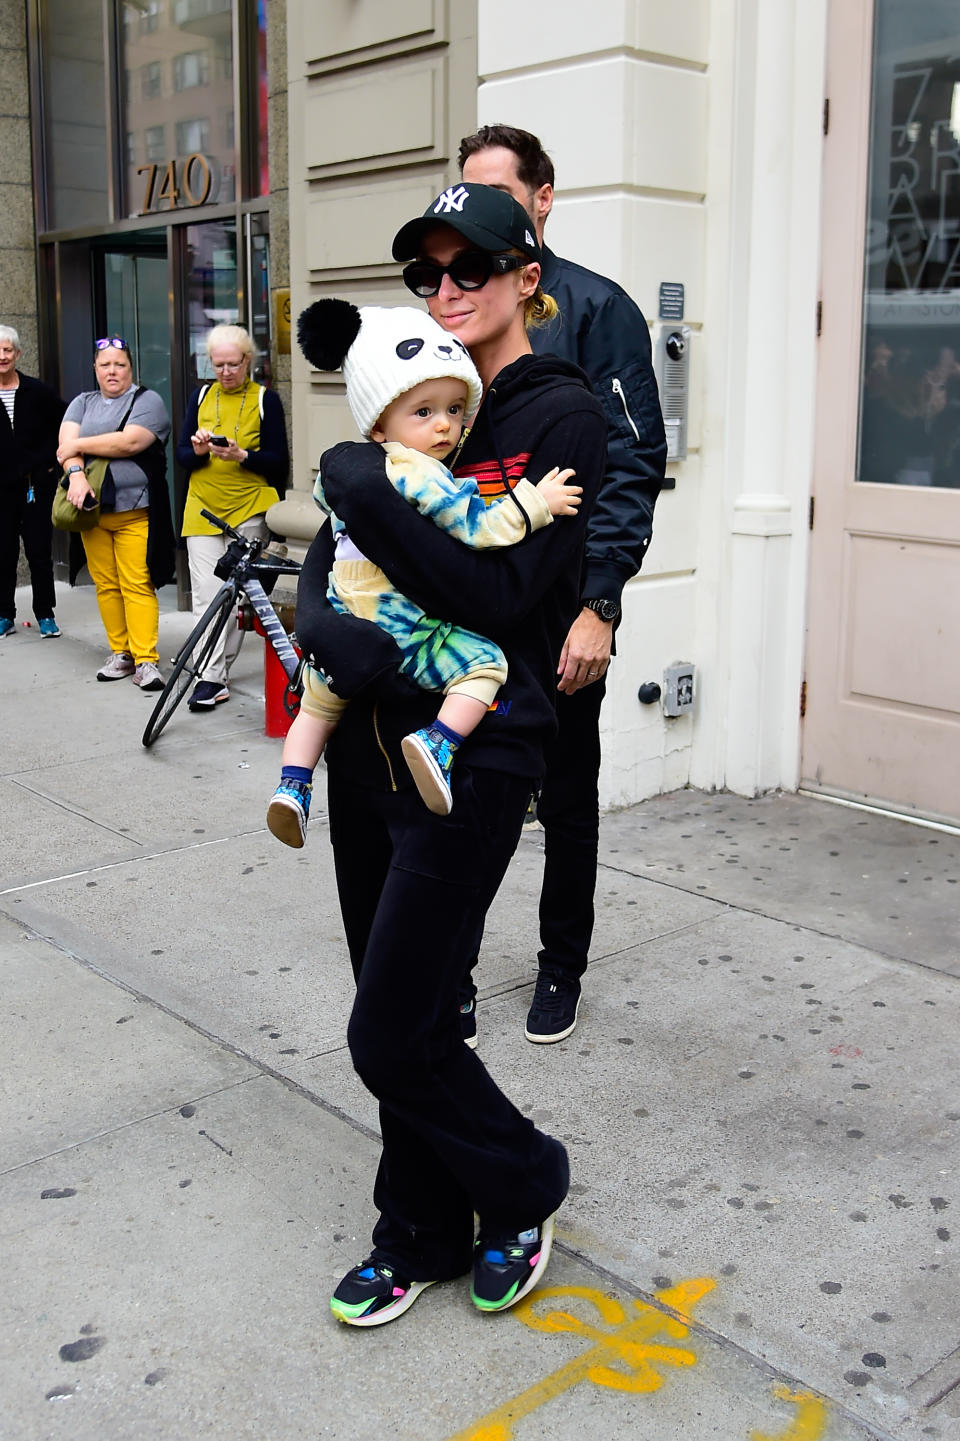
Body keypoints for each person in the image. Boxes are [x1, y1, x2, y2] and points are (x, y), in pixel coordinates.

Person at [294, 183, 606, 1325]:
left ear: (529, 272)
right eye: (426, 274)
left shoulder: (559, 420)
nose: (446, 289)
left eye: (469, 266)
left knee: (388, 1028)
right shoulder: (407, 397)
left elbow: (504, 586)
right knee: (406, 1008)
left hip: (476, 755)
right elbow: (326, 579)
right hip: (365, 755)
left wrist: (362, 490)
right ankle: (418, 1228)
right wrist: (330, 623)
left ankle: (523, 1183)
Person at [458, 124, 668, 1043]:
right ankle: (448, 967)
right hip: (463, 605)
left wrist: (601, 604)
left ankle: (561, 966)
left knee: (565, 795)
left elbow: (632, 463)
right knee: (455, 793)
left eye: (499, 194)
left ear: (544, 199)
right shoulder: (454, 315)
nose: (478, 216)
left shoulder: (598, 308)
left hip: (561, 615)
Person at [267, 299, 580, 846]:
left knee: (317, 706)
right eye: (424, 412)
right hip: (401, 620)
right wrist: (537, 502)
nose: (445, 426)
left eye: (456, 410)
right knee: (484, 667)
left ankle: (292, 787)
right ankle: (437, 742)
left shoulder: (345, 472)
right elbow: (476, 525)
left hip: (346, 615)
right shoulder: (420, 472)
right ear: (378, 421)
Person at [175, 324, 289, 711]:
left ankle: (215, 671)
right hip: (202, 508)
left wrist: (243, 456)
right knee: (206, 595)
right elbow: (182, 459)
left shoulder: (264, 400)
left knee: (236, 596)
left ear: (248, 361)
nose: (225, 372)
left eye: (233, 364)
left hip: (249, 507)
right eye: (218, 364)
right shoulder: (200, 396)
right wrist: (199, 449)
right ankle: (210, 677)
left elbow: (279, 464)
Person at [57, 338, 174, 689]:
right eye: (105, 364)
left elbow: (129, 442)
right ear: (95, 368)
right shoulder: (82, 402)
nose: (112, 371)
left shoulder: (147, 401)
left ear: (130, 369)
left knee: (137, 583)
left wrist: (77, 446)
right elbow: (65, 446)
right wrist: (76, 475)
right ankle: (121, 653)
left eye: (119, 364)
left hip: (135, 512)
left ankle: (146, 660)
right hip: (91, 514)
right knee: (106, 585)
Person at [0, 326, 66, 639]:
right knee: (3, 553)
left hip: (35, 486)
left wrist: (50, 463)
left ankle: (45, 614)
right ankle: (4, 614)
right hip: (1, 490)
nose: (2, 356)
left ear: (17, 354)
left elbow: (66, 422)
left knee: (39, 553)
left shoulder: (36, 391)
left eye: (8, 350)